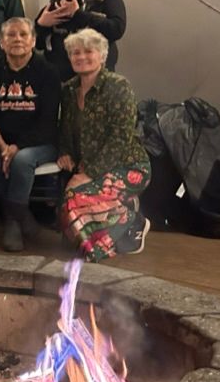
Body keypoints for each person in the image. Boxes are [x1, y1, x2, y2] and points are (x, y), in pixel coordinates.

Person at [57, 29, 151, 262]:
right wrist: (65, 152)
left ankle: (131, 222)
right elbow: (65, 127)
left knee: (75, 198)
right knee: (69, 205)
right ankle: (116, 215)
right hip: (89, 166)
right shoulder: (68, 89)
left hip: (128, 165)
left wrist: (89, 173)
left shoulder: (118, 86)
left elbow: (121, 136)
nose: (81, 57)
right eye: (75, 53)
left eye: (89, 51)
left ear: (102, 56)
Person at [0, 18, 61, 252]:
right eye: (11, 35)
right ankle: (19, 213)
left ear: (33, 41)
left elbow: (47, 120)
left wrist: (16, 147)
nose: (17, 39)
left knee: (22, 160)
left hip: (40, 142)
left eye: (23, 34)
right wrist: (3, 147)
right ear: (2, 42)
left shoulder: (48, 73)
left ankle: (12, 220)